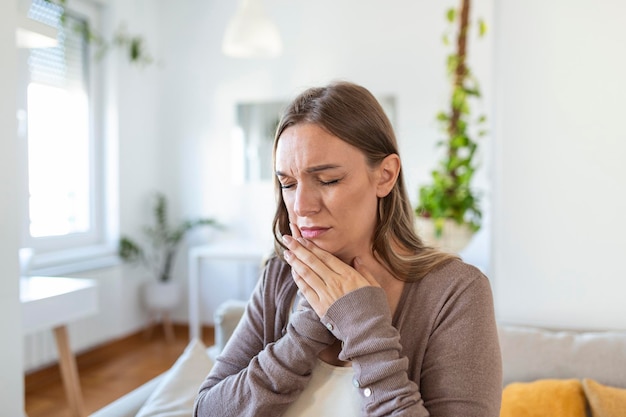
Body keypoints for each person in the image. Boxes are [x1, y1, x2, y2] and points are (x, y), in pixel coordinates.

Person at [194, 81, 502, 416]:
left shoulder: (455, 292)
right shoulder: (280, 278)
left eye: (327, 180)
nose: (301, 205)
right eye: (288, 183)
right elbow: (207, 411)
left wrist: (365, 331)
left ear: (385, 176)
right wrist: (303, 336)